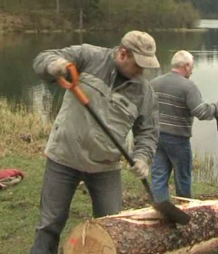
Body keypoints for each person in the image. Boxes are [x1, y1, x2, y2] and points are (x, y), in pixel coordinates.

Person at [30, 30, 160, 254]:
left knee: (112, 226)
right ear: (122, 54)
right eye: (138, 64)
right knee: (49, 224)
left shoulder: (144, 91)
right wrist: (54, 65)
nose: (142, 71)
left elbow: (148, 131)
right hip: (64, 157)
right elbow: (43, 59)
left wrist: (143, 157)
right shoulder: (88, 56)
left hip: (105, 166)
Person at [150, 50, 218, 203]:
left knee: (158, 175)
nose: (192, 70)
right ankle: (185, 207)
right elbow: (201, 112)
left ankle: (161, 209)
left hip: (156, 136)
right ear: (185, 66)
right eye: (192, 67)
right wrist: (217, 107)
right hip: (178, 138)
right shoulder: (188, 86)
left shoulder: (155, 82)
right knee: (183, 176)